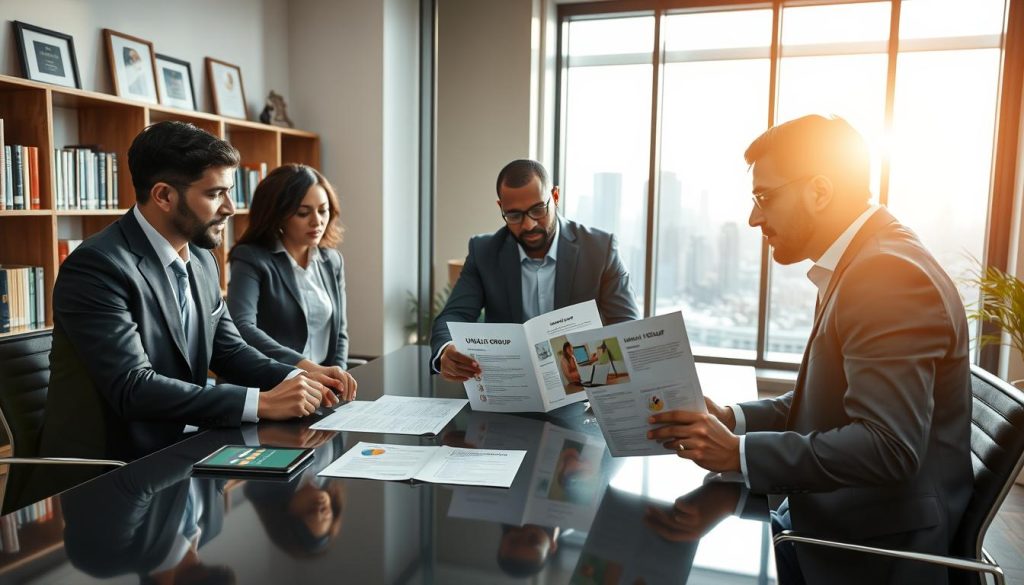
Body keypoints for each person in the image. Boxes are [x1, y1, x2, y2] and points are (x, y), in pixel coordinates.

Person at [647, 115, 972, 584]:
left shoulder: (885, 275)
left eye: (764, 197)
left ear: (819, 191)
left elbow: (887, 447)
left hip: (870, 550)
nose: (754, 217)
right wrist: (733, 418)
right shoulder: (862, 256)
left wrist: (738, 453)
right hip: (839, 519)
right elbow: (826, 401)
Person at [41, 121, 345, 465]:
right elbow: (133, 387)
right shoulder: (98, 266)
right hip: (113, 468)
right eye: (215, 194)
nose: (230, 208)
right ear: (164, 196)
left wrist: (300, 377)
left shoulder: (201, 259)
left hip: (188, 450)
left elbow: (229, 351)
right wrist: (260, 403)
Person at [431, 159, 640, 380]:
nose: (529, 225)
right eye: (514, 215)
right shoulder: (484, 252)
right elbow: (454, 315)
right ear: (501, 208)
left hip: (585, 386)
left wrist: (600, 361)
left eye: (538, 210)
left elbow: (628, 325)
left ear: (555, 197)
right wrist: (446, 349)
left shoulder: (600, 249)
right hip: (512, 388)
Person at [226, 164, 357, 393]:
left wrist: (336, 378)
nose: (317, 221)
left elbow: (340, 332)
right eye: (303, 213)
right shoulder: (251, 258)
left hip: (320, 392)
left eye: (323, 210)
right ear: (278, 215)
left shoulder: (332, 261)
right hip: (268, 390)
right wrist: (306, 368)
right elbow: (242, 326)